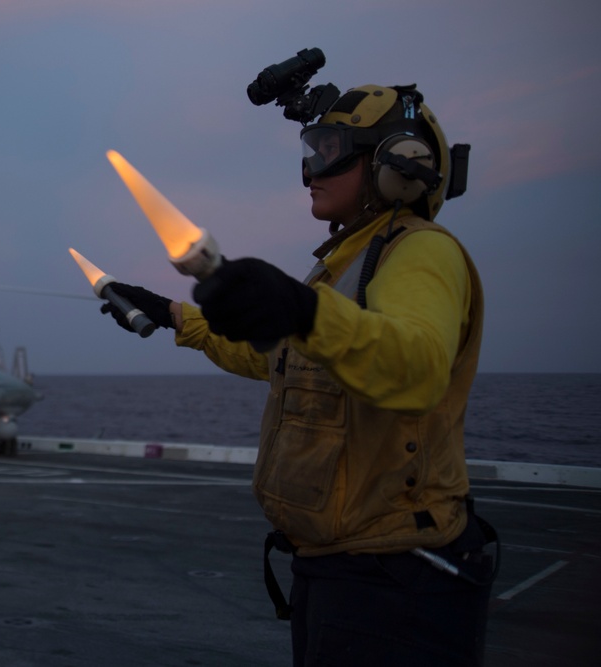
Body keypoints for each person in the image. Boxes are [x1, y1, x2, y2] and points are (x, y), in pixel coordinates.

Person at [101, 83, 497, 666]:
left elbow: (417, 366)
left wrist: (303, 309)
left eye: (330, 149)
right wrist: (172, 316)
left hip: (395, 577)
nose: (311, 168)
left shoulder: (422, 251)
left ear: (398, 165)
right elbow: (273, 356)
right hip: (336, 567)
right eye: (311, 150)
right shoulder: (343, 264)